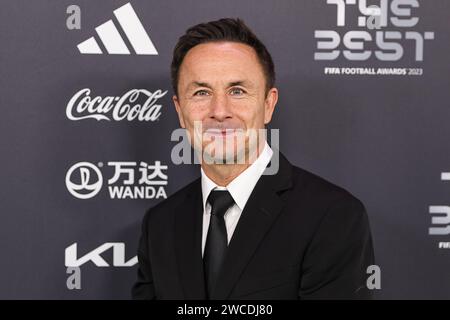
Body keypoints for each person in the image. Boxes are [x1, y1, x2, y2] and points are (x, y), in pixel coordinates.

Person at [132, 18, 375, 300]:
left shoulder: (333, 216)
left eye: (237, 91)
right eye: (201, 92)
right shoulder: (160, 224)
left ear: (268, 104)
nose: (219, 111)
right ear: (179, 110)